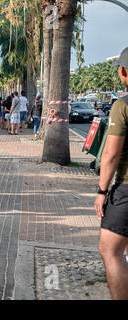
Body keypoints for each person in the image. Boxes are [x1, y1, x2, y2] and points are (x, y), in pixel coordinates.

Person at [94, 46, 128, 300]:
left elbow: (111, 155)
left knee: (110, 250)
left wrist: (102, 191)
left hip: (126, 191)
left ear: (123, 71)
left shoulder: (122, 106)